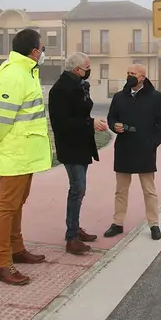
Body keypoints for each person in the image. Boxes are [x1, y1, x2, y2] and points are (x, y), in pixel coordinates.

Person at [0, 28, 53, 286]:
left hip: (25, 152)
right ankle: (1, 264)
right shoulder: (14, 75)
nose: (43, 53)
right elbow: (0, 118)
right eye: (42, 48)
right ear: (34, 52)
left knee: (18, 202)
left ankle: (17, 249)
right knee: (7, 206)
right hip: (14, 151)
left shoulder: (27, 72)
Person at [48, 52, 108, 255]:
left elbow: (81, 112)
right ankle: (71, 237)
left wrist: (90, 122)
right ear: (76, 69)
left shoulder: (80, 85)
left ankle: (74, 228)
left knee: (78, 190)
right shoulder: (61, 90)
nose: (89, 71)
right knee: (77, 189)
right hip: (70, 146)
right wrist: (90, 123)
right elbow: (62, 123)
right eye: (86, 67)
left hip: (81, 144)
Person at [103, 64, 161, 241]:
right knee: (120, 190)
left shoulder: (156, 98)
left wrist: (152, 143)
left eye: (132, 74)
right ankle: (117, 223)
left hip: (145, 149)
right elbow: (112, 118)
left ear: (142, 77)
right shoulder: (119, 97)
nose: (129, 76)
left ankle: (154, 224)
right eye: (127, 73)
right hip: (124, 148)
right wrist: (114, 126)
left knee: (149, 190)